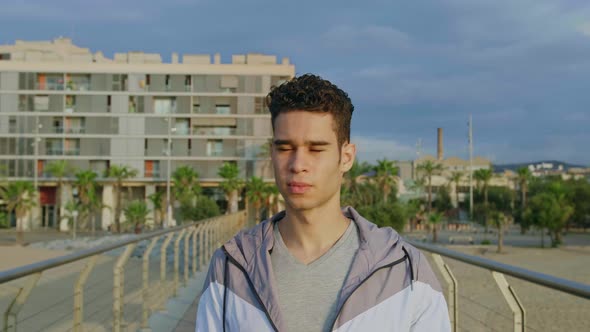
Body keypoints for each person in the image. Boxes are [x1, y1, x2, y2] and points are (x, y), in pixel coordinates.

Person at [196, 74, 451, 331]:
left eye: (316, 150)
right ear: (272, 153)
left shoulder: (404, 268)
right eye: (285, 148)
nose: (297, 165)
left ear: (346, 157)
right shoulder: (230, 267)